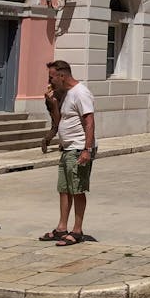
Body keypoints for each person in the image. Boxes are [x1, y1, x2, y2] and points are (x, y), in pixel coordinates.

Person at [38, 60, 95, 246]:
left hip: (78, 148)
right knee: (64, 189)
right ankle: (62, 227)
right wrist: (52, 103)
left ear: (62, 76)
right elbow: (59, 121)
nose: (50, 81)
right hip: (67, 148)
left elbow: (89, 122)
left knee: (77, 190)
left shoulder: (81, 93)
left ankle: (77, 231)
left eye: (51, 77)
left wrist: (87, 149)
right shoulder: (66, 94)